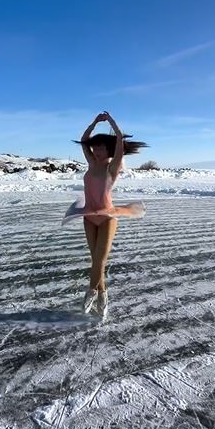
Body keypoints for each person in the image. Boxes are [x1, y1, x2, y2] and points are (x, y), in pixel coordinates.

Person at [62, 111, 147, 317]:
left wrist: (110, 122)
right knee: (96, 261)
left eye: (100, 147)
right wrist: (94, 123)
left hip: (108, 217)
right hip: (89, 216)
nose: (96, 150)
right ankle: (104, 295)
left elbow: (119, 139)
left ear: (107, 149)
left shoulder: (112, 167)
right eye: (95, 147)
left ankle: (91, 294)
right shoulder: (91, 163)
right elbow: (83, 140)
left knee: (100, 261)